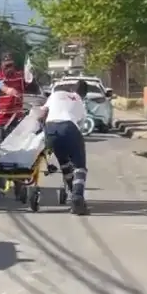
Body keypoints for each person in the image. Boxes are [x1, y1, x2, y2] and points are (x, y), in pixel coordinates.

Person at [39, 79, 90, 215]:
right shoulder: (79, 100)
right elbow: (80, 125)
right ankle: (77, 197)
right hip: (69, 127)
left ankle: (72, 191)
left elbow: (42, 113)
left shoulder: (56, 95)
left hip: (51, 130)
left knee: (64, 163)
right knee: (79, 166)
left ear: (73, 89)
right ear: (83, 94)